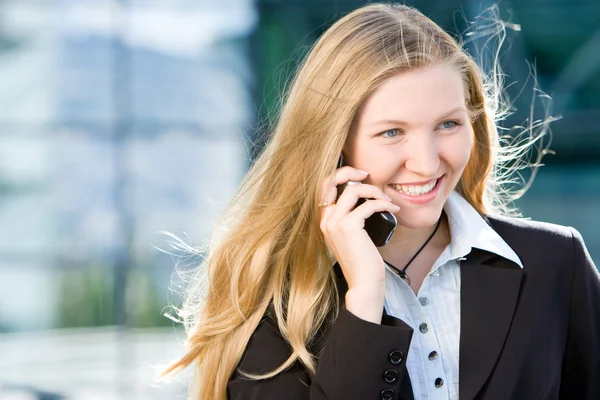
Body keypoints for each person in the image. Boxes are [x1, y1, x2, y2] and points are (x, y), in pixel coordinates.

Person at [162, 3, 600, 399]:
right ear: (335, 146)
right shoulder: (273, 296)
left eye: (447, 124)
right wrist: (365, 299)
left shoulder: (556, 263)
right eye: (392, 132)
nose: (427, 162)